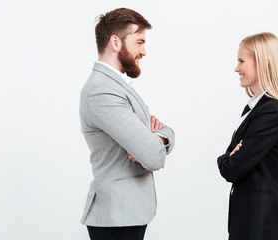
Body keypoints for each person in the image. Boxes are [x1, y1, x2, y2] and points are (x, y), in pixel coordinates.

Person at [79, 8, 175, 240]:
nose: (144, 51)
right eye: (139, 42)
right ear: (115, 42)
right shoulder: (102, 90)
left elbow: (164, 132)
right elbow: (153, 157)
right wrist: (152, 143)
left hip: (125, 216)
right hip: (116, 218)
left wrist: (158, 137)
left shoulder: (115, 86)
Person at [217, 32, 278, 240]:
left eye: (241, 61)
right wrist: (230, 157)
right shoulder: (253, 110)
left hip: (262, 224)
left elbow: (231, 168)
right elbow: (232, 160)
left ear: (264, 63)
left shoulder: (272, 112)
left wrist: (226, 159)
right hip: (251, 221)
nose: (236, 68)